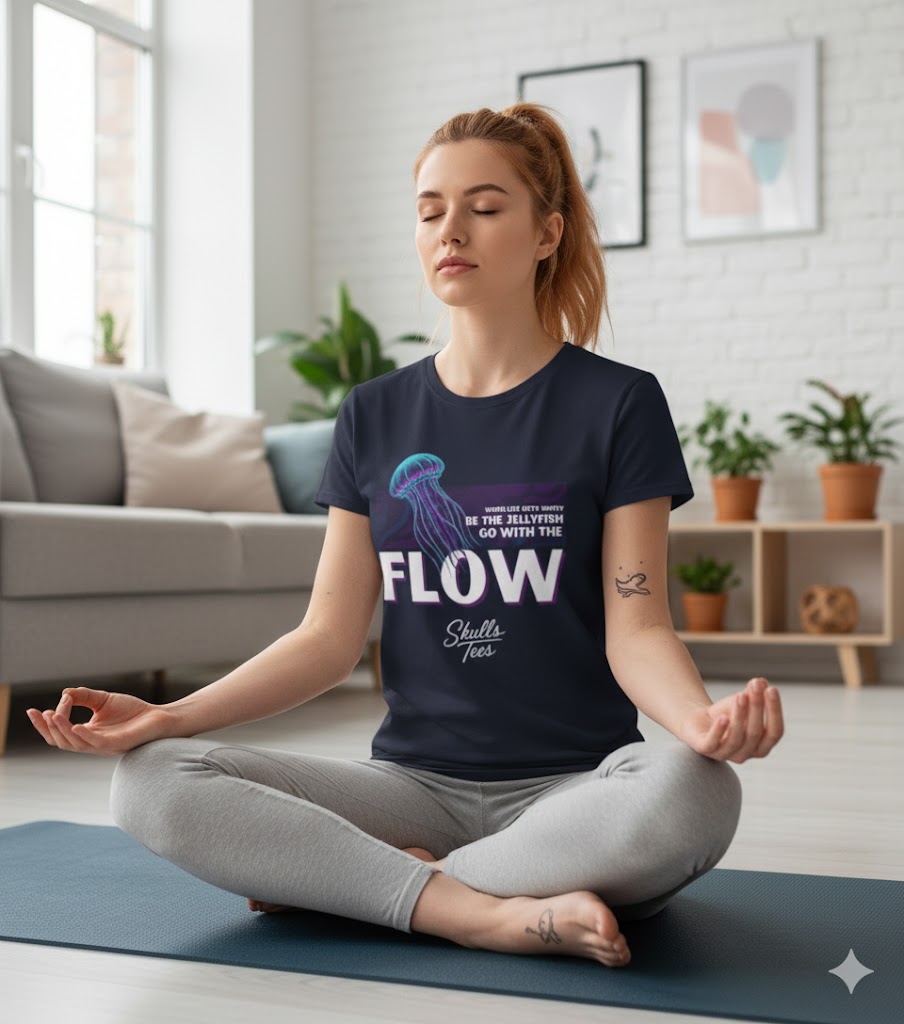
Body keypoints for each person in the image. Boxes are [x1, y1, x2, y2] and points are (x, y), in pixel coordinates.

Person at [26, 102, 784, 969]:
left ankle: (381, 886)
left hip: (577, 791)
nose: (449, 230)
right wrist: (169, 715)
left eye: (485, 207)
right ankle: (475, 910)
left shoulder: (618, 403)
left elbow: (639, 623)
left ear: (547, 233)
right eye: (430, 211)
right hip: (410, 790)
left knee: (696, 790)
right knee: (152, 781)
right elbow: (326, 638)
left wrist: (702, 723)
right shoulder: (375, 414)